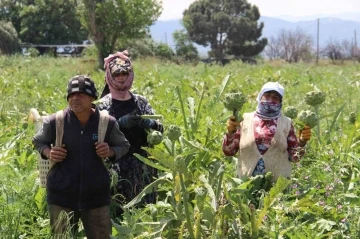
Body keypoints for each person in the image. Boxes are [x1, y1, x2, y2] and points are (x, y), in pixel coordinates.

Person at [33, 75, 130, 238]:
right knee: (61, 236)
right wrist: (49, 153)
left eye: (81, 94)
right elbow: (38, 141)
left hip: (96, 196)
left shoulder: (106, 123)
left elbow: (124, 145)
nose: (75, 98)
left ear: (93, 98)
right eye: (71, 95)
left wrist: (110, 152)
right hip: (61, 195)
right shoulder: (55, 121)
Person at [97, 51, 164, 215]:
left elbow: (160, 128)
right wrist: (119, 124)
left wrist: (150, 123)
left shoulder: (140, 101)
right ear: (109, 76)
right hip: (116, 165)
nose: (121, 77)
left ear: (130, 74)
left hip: (143, 165)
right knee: (119, 211)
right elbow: (97, 134)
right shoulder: (103, 104)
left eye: (125, 73)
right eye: (117, 73)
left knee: (145, 211)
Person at [222, 82, 312, 181]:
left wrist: (302, 142)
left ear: (280, 102)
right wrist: (230, 133)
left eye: (275, 98)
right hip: (245, 185)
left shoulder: (287, 123)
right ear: (260, 97)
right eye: (267, 95)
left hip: (277, 187)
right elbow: (229, 152)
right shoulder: (243, 120)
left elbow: (295, 158)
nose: (270, 100)